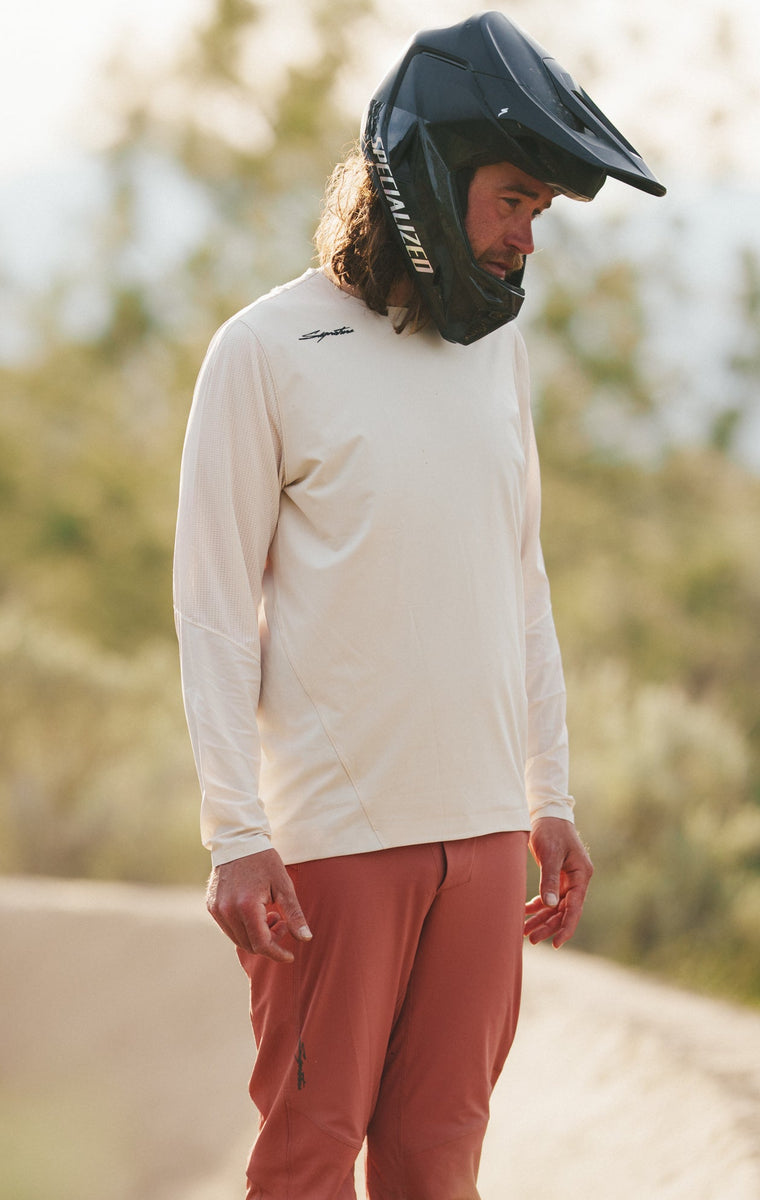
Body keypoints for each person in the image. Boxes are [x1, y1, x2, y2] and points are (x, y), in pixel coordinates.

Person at [172, 12, 665, 1200]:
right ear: (430, 178)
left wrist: (549, 792)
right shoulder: (268, 349)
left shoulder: (494, 354)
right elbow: (213, 604)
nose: (524, 241)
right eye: (513, 202)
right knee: (307, 1161)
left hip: (487, 834)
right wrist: (236, 835)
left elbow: (520, 573)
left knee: (441, 1165)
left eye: (540, 215)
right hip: (334, 841)